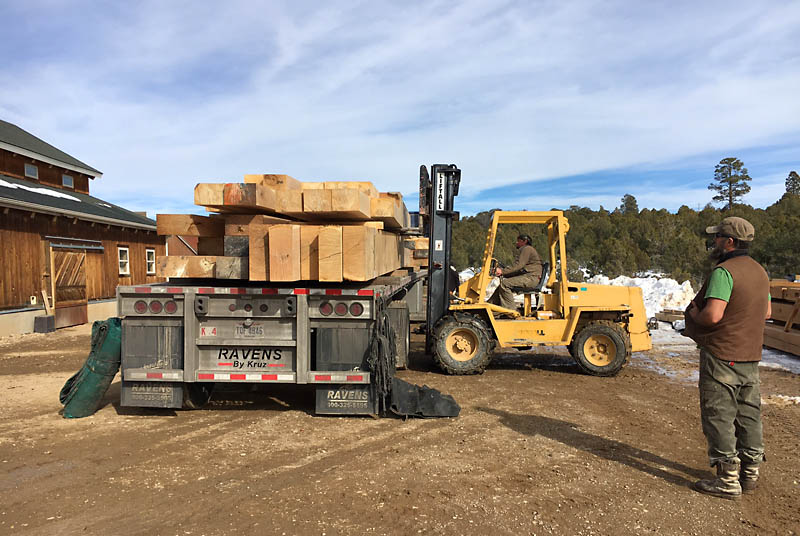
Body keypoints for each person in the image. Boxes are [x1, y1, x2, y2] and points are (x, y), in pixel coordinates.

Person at [683, 216, 771, 499]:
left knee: (719, 415)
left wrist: (694, 313)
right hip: (750, 355)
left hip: (722, 354)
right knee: (749, 415)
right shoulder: (760, 272)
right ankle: (750, 472)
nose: (714, 242)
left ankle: (727, 479)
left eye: (718, 237)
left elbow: (713, 315)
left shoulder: (724, 272)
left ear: (730, 242)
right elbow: (767, 313)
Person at [488, 234, 543, 313]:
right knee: (502, 286)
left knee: (505, 284)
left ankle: (510, 312)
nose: (516, 243)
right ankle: (490, 306)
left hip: (531, 278)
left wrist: (502, 271)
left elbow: (518, 266)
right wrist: (504, 274)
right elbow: (519, 270)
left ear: (525, 241)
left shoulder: (527, 249)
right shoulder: (527, 250)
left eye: (518, 241)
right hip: (529, 277)